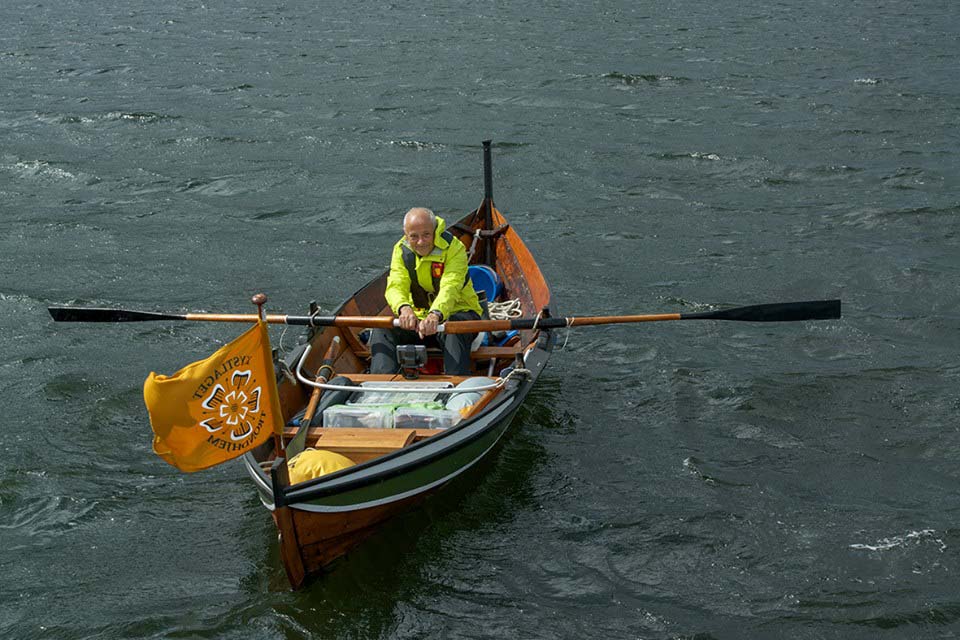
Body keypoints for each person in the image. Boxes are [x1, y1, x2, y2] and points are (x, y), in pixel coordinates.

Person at [369, 207, 483, 375]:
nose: (421, 242)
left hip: (457, 314)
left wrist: (436, 314)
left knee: (454, 328)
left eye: (426, 235)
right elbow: (396, 284)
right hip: (418, 320)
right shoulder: (400, 250)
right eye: (414, 236)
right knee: (381, 329)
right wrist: (403, 308)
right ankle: (379, 386)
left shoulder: (454, 248)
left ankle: (456, 384)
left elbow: (450, 286)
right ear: (406, 234)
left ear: (435, 230)